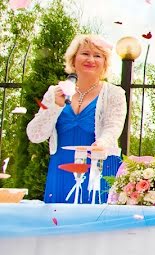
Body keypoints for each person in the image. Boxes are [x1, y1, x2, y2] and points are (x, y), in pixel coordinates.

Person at [26, 34, 126, 203]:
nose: (91, 59)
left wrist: (102, 144)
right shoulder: (54, 92)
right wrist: (55, 106)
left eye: (97, 56)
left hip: (99, 167)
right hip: (61, 169)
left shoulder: (114, 93)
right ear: (73, 60)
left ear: (105, 64)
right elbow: (35, 135)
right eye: (85, 53)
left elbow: (113, 127)